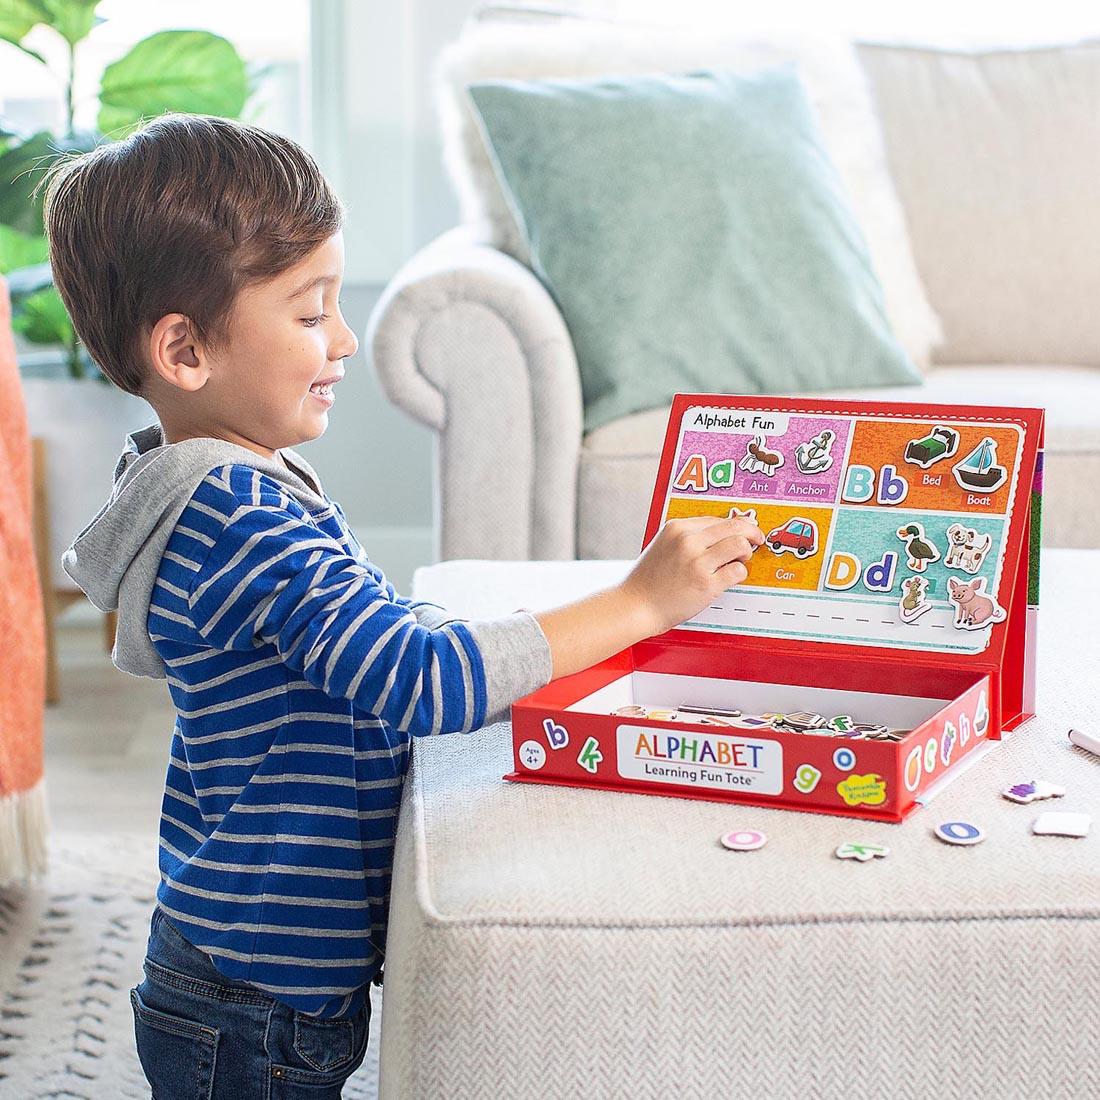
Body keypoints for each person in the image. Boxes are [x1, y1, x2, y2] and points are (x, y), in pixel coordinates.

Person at [41, 113, 763, 1098]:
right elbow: (423, 681)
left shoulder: (213, 480)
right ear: (184, 349)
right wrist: (640, 598)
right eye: (307, 313)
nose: (341, 338)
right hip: (253, 996)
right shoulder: (240, 513)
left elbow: (365, 633)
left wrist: (529, 636)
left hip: (244, 964)